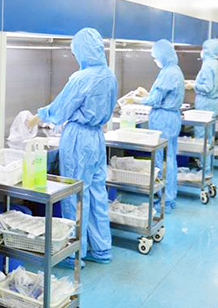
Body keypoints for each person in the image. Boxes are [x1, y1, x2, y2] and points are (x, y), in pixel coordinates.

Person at [29, 28, 117, 266]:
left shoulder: (81, 78)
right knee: (97, 192)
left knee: (75, 194)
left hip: (78, 139)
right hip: (97, 138)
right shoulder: (109, 76)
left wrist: (39, 116)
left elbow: (60, 111)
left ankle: (74, 252)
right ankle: (101, 248)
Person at [137, 39, 184, 213]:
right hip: (171, 119)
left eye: (155, 57)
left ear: (163, 55)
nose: (155, 60)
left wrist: (137, 99)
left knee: (161, 160)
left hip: (164, 120)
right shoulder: (173, 70)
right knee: (170, 158)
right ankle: (169, 197)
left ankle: (164, 199)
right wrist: (147, 95)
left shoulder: (168, 73)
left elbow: (156, 100)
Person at [186, 39, 218, 139]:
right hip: (212, 104)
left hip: (205, 105)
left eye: (204, 49)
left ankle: (204, 150)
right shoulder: (216, 64)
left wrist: (193, 86)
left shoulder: (208, 65)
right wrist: (194, 82)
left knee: (202, 136)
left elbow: (207, 88)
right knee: (209, 135)